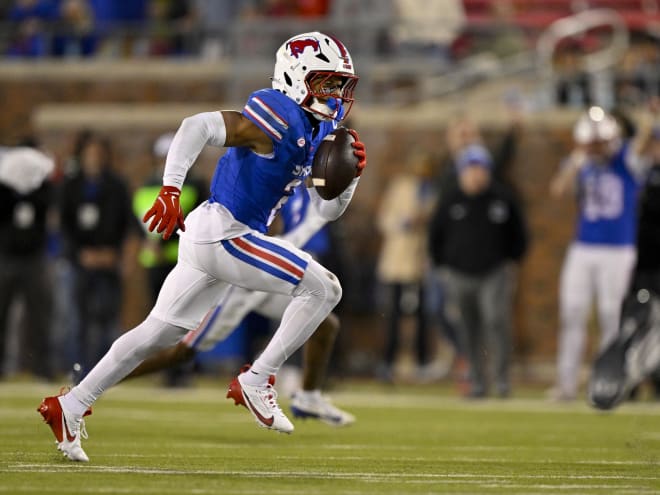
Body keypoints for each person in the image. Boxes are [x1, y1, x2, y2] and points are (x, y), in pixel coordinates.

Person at [38, 31, 366, 462]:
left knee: (158, 333)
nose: (337, 94)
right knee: (325, 288)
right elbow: (198, 126)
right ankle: (258, 378)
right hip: (225, 231)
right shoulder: (279, 113)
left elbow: (326, 212)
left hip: (219, 235)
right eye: (328, 83)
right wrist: (170, 188)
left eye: (342, 84)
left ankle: (71, 404)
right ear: (297, 76)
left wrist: (349, 180)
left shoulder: (320, 127)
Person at [126, 185, 355, 426]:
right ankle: (105, 377)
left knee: (325, 323)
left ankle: (307, 397)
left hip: (276, 272)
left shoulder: (311, 188)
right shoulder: (284, 174)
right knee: (181, 351)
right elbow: (270, 223)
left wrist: (349, 180)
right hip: (246, 275)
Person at [549, 105, 651, 401]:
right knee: (572, 313)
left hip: (618, 248)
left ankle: (608, 381)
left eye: (598, 142)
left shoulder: (625, 159)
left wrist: (647, 121)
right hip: (583, 247)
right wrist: (578, 159)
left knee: (611, 315)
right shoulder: (582, 162)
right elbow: (558, 189)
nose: (594, 147)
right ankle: (566, 384)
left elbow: (642, 147)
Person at [428, 143, 528, 398]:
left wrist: (511, 261)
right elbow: (435, 235)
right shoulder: (451, 199)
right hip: (459, 273)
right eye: (471, 169)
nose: (476, 174)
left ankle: (502, 378)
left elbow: (519, 235)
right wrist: (441, 266)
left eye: (480, 169)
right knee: (467, 327)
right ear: (461, 172)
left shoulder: (502, 198)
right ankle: (477, 380)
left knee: (496, 321)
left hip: (494, 271)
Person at [57, 132, 140, 376]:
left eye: (98, 154)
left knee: (108, 320)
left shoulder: (116, 185)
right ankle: (77, 370)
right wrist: (80, 254)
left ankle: (105, 373)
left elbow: (129, 223)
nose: (94, 159)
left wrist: (123, 257)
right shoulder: (70, 186)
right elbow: (62, 227)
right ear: (82, 156)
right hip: (79, 264)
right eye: (90, 154)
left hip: (109, 262)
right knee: (77, 321)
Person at [132, 132, 207, 386]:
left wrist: (163, 243)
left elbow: (196, 222)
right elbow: (140, 223)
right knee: (158, 320)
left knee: (182, 318)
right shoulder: (147, 186)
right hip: (154, 262)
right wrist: (147, 243)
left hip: (180, 259)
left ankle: (183, 369)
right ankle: (165, 369)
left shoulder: (194, 186)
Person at [375, 150, 438, 382]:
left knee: (421, 314)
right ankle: (388, 362)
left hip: (419, 261)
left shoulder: (433, 192)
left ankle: (421, 362)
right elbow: (384, 220)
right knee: (392, 313)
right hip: (396, 259)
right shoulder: (401, 187)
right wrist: (403, 223)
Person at [0, 140, 55, 380]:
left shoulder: (42, 187)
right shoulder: (3, 189)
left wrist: (32, 188)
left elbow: (48, 205)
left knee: (40, 315)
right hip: (7, 258)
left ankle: (41, 365)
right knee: (2, 313)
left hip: (34, 258)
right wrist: (13, 190)